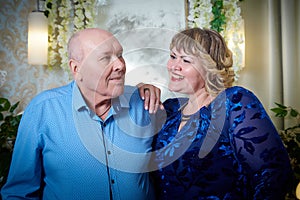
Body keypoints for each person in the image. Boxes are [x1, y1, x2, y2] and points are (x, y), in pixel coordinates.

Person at [1, 28, 164, 199]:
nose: (120, 65)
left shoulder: (143, 102)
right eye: (105, 58)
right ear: (76, 68)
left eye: (120, 55)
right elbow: (18, 192)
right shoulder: (43, 110)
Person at [152, 27, 294, 199]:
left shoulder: (234, 102)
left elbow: (274, 174)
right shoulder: (169, 109)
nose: (174, 66)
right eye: (173, 56)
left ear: (209, 68)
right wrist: (142, 89)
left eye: (186, 60)